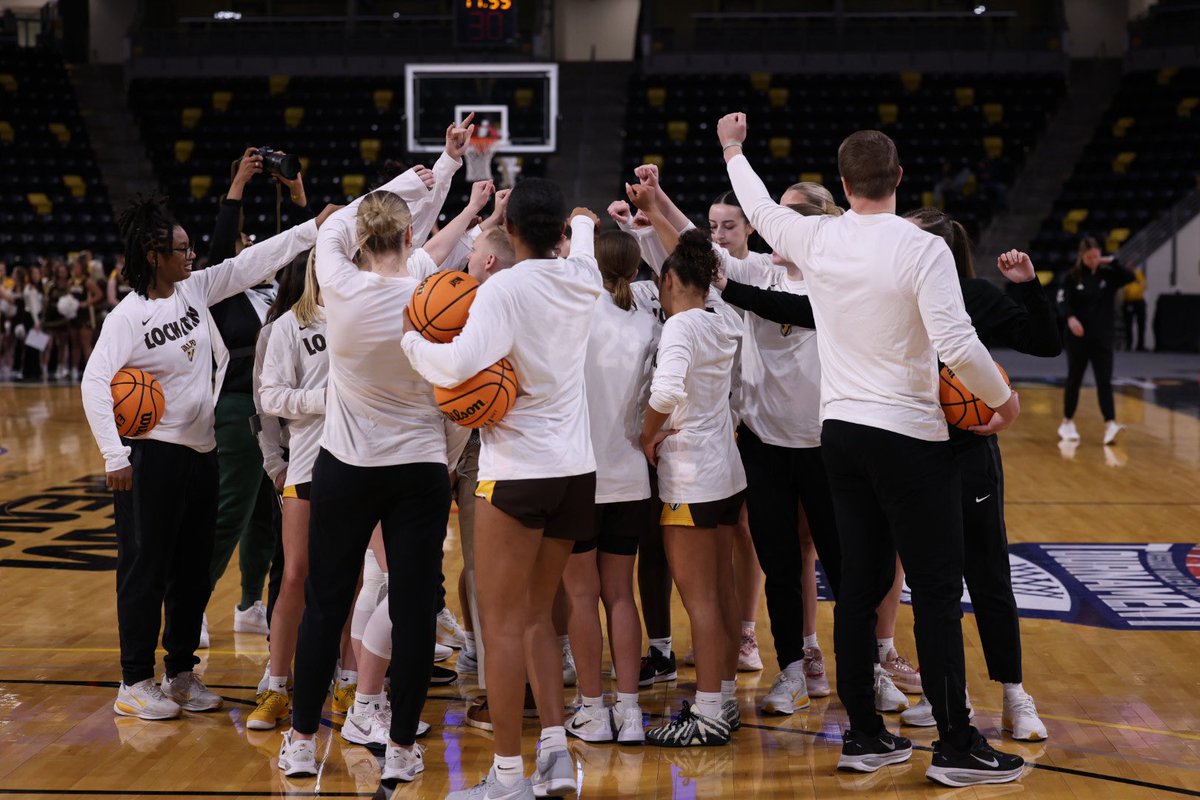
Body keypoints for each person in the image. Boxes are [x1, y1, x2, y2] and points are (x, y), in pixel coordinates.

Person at [720, 115, 1025, 787]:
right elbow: (957, 341)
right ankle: (955, 744)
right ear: (899, 178)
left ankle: (864, 735)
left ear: (843, 182)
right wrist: (1004, 401)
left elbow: (760, 208)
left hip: (842, 437)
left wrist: (733, 148)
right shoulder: (921, 249)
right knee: (939, 588)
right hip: (909, 437)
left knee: (857, 587)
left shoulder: (819, 237)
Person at [276, 119, 476, 788]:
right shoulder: (430, 290)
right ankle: (401, 748)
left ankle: (302, 741)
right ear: (411, 239)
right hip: (419, 466)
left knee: (326, 604)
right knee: (415, 608)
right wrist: (445, 176)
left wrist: (422, 175)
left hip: (345, 467)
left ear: (363, 239)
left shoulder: (338, 285)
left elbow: (333, 224)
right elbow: (456, 394)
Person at [79, 194, 328, 722]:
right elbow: (95, 381)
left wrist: (311, 228)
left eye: (191, 248)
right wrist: (113, 455)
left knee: (192, 571)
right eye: (181, 249)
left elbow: (250, 263)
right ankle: (134, 680)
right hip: (151, 458)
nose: (191, 257)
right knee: (145, 568)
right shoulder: (128, 316)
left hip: (202, 451)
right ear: (153, 255)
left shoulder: (195, 290)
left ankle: (181, 672)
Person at [402, 180, 601, 800]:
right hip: (576, 474)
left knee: (504, 625)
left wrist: (413, 342)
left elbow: (458, 367)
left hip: (516, 473)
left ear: (509, 228)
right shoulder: (583, 276)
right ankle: (556, 755)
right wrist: (586, 219)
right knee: (541, 617)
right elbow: (587, 233)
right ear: (560, 232)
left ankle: (509, 777)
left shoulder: (503, 288)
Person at [634, 174, 848, 716]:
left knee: (845, 568)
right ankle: (795, 669)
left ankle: (865, 667)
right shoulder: (758, 270)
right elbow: (695, 248)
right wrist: (656, 201)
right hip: (764, 443)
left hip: (829, 443)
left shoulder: (838, 279)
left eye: (790, 214)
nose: (777, 222)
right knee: (778, 562)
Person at [561, 229, 660, 745]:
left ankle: (593, 712)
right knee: (621, 594)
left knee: (581, 596)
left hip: (580, 473)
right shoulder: (649, 321)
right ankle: (630, 712)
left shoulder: (577, 314)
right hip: (631, 475)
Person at [245, 250, 328, 731]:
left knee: (350, 579)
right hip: (303, 462)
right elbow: (266, 407)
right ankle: (276, 682)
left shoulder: (354, 316)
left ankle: (348, 680)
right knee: (294, 573)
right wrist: (274, 463)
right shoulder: (278, 332)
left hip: (355, 461)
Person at [1056, 236, 1136, 445]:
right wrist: (1071, 318)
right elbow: (1062, 301)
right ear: (1082, 256)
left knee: (1104, 381)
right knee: (1075, 379)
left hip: (1102, 338)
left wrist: (1112, 261)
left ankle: (1110, 424)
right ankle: (1067, 421)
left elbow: (1130, 277)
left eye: (1096, 256)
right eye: (1089, 257)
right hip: (1078, 339)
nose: (1093, 260)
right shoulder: (1072, 277)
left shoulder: (1108, 275)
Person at [1122, 266, 1147, 352]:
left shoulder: (1139, 274)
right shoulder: (1125, 275)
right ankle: (1129, 344)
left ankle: (1140, 345)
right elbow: (1125, 287)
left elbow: (1144, 285)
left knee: (1141, 323)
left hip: (1139, 300)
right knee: (1128, 324)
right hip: (1129, 300)